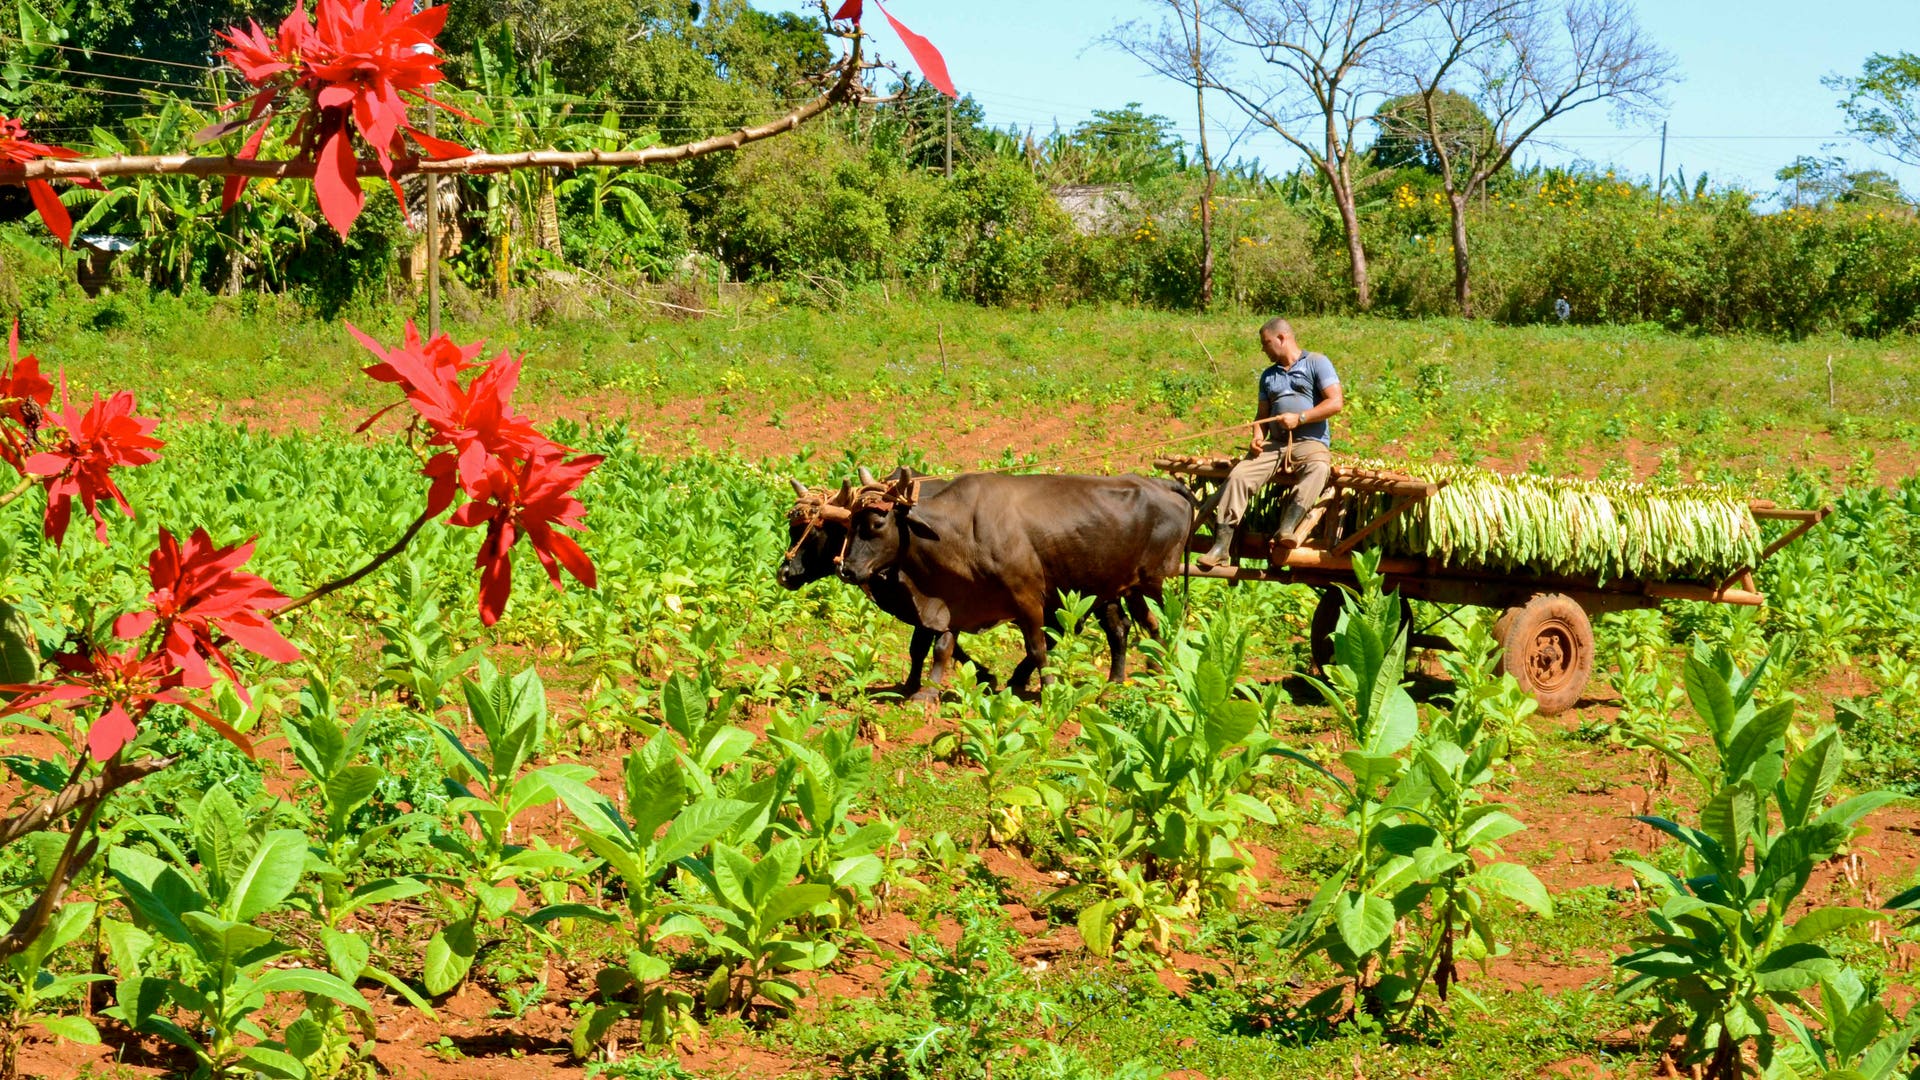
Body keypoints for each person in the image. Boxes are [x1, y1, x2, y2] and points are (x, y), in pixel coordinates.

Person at [1197, 318, 1344, 568]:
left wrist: (1300, 418)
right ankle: (1221, 546)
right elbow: (1261, 416)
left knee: (1319, 469)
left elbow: (1335, 402)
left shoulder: (1317, 362)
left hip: (1310, 442)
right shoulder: (1268, 376)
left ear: (1282, 338)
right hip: (1275, 445)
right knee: (1239, 476)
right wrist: (1257, 436)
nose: (1263, 349)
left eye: (1266, 343)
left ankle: (1287, 528)